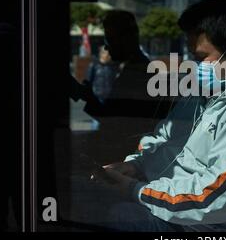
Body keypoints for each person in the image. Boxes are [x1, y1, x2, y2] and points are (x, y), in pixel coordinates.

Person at [87, 0, 226, 232]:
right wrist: (137, 167)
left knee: (115, 215)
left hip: (205, 227)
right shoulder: (205, 93)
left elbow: (217, 198)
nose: (195, 66)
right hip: (169, 204)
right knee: (89, 194)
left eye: (201, 57)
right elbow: (165, 140)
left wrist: (135, 190)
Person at [72, 10, 170, 163]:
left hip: (125, 162)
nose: (106, 47)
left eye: (110, 39)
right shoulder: (134, 69)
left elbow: (117, 123)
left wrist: (87, 97)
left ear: (126, 39)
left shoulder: (138, 74)